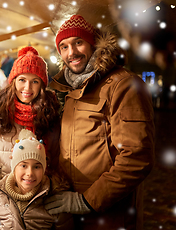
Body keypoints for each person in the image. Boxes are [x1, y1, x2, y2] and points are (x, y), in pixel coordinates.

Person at [45, 15, 155, 229]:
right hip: (73, 214)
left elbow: (137, 157)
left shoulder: (124, 85)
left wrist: (86, 201)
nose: (72, 53)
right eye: (64, 46)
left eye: (78, 42)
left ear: (93, 43)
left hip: (111, 216)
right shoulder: (69, 88)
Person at [0, 46, 62, 203]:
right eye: (22, 80)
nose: (27, 88)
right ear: (13, 81)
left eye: (34, 81)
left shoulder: (51, 115)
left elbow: (56, 159)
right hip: (0, 195)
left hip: (38, 200)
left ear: (42, 85)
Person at [0, 129, 73, 229]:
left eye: (37, 167)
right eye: (24, 166)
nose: (30, 173)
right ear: (14, 168)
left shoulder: (55, 202)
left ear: (44, 169)